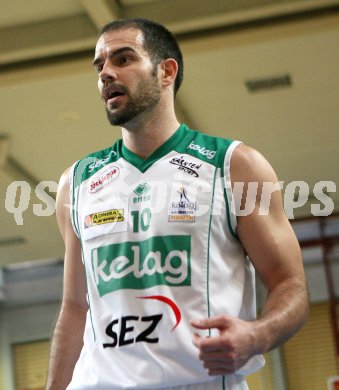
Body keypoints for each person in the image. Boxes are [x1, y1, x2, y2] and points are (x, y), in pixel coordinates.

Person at [46, 18, 308, 390]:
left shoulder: (234, 165)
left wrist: (256, 336)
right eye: (100, 65)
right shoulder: (77, 181)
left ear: (166, 71)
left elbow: (291, 285)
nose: (106, 73)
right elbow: (74, 307)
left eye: (123, 59)